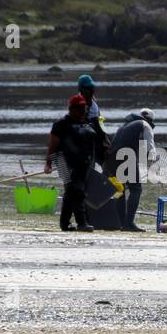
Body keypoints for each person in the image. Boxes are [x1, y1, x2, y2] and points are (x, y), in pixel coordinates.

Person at [44, 93, 109, 233]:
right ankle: (82, 223)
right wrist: (48, 163)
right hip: (62, 161)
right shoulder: (61, 124)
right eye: (79, 108)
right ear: (71, 108)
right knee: (77, 191)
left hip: (83, 163)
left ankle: (65, 224)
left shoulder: (86, 123)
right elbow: (52, 146)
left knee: (71, 192)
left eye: (84, 108)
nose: (82, 110)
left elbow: (95, 143)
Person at [110, 108, 156, 232]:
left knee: (120, 190)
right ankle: (129, 223)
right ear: (150, 120)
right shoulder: (145, 125)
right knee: (136, 188)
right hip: (126, 156)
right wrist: (152, 163)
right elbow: (150, 148)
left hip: (112, 157)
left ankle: (122, 224)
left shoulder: (124, 126)